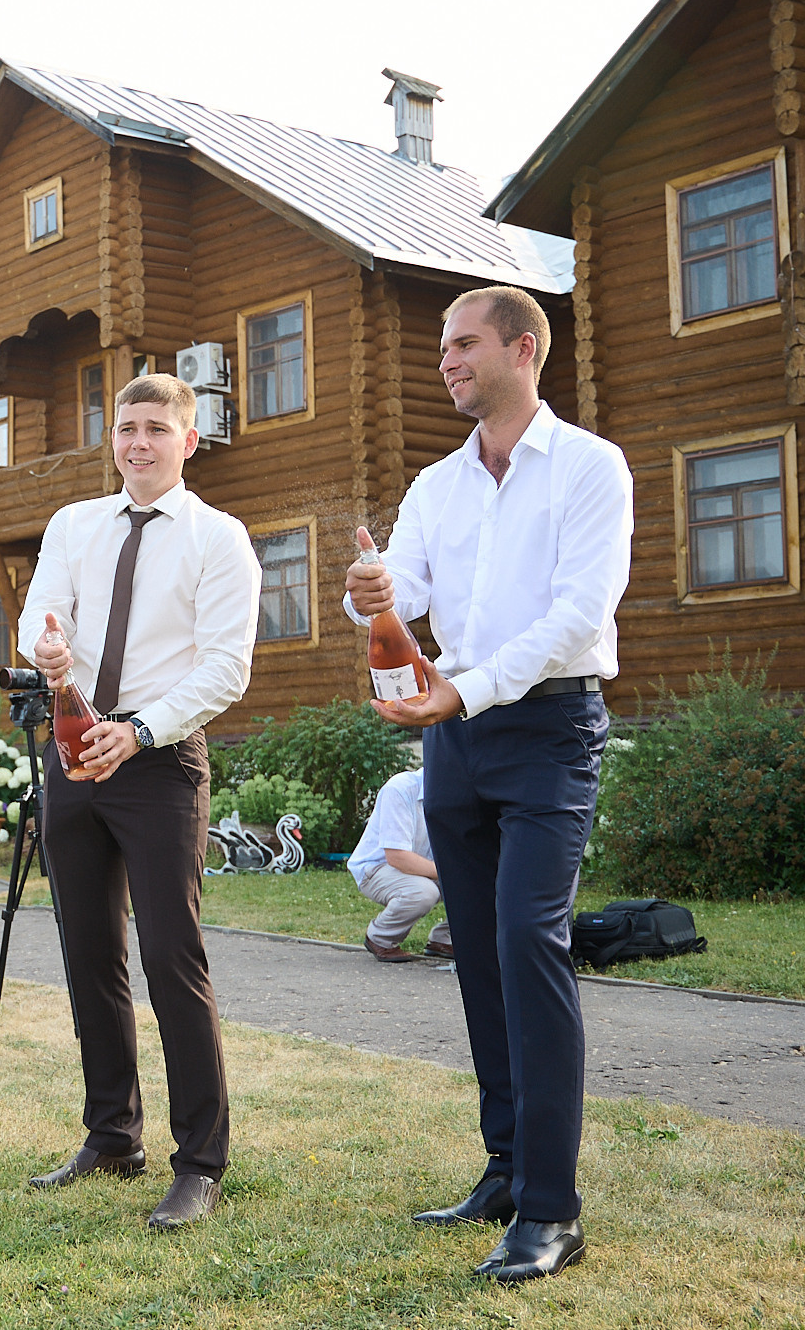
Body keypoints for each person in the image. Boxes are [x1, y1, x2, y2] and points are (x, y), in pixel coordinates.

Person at [343, 286, 631, 1283]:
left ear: (523, 349)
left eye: (462, 343)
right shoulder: (435, 483)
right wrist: (370, 597)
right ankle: (505, 1172)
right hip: (454, 740)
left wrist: (462, 688)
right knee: (476, 952)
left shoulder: (590, 466)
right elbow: (404, 594)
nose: (446, 361)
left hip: (549, 729)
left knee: (526, 941)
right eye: (441, 348)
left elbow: (577, 613)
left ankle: (552, 1211)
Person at [19, 373, 261, 1230]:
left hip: (160, 760)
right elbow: (42, 616)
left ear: (188, 441)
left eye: (157, 428)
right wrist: (47, 649)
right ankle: (112, 1136)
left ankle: (200, 1163)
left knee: (170, 956)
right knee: (89, 953)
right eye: (126, 428)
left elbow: (227, 667)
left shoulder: (219, 538)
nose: (138, 443)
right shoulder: (73, 523)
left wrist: (143, 730)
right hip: (76, 749)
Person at [347, 768, 451, 962]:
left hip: (423, 867)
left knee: (488, 881)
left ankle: (445, 939)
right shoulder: (400, 788)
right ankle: (380, 938)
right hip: (376, 868)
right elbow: (397, 857)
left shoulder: (458, 792)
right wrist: (450, 873)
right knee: (424, 892)